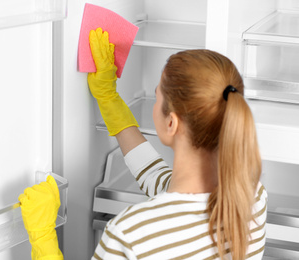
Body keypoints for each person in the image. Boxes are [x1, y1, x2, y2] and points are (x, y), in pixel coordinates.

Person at [19, 27, 267, 260]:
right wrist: (108, 98)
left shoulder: (132, 234)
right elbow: (159, 180)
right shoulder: (251, 196)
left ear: (171, 123)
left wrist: (43, 237)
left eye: (157, 96)